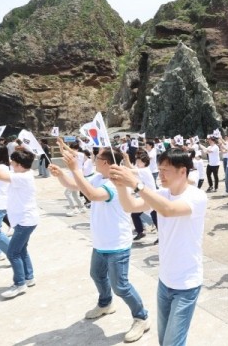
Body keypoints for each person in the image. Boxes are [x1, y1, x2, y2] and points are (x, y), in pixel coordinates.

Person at [49, 144, 150, 343]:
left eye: (96, 159)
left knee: (120, 285)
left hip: (117, 243)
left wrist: (75, 169)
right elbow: (75, 185)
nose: (94, 161)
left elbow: (93, 195)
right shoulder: (98, 177)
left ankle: (141, 317)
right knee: (97, 275)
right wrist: (61, 174)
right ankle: (105, 304)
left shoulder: (114, 182)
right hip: (101, 241)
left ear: (105, 162)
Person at [110, 148, 207, 346]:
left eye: (165, 170)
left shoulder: (197, 197)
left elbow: (168, 210)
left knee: (173, 343)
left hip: (186, 284)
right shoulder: (161, 193)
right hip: (165, 281)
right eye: (159, 169)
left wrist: (136, 185)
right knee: (164, 341)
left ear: (183, 171)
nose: (160, 174)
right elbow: (131, 207)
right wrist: (120, 186)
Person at [0, 145, 38, 299]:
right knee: (21, 250)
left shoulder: (21, 177)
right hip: (26, 220)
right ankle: (29, 277)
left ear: (19, 165)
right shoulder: (25, 173)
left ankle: (19, 284)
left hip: (25, 221)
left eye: (13, 162)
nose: (10, 164)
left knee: (12, 252)